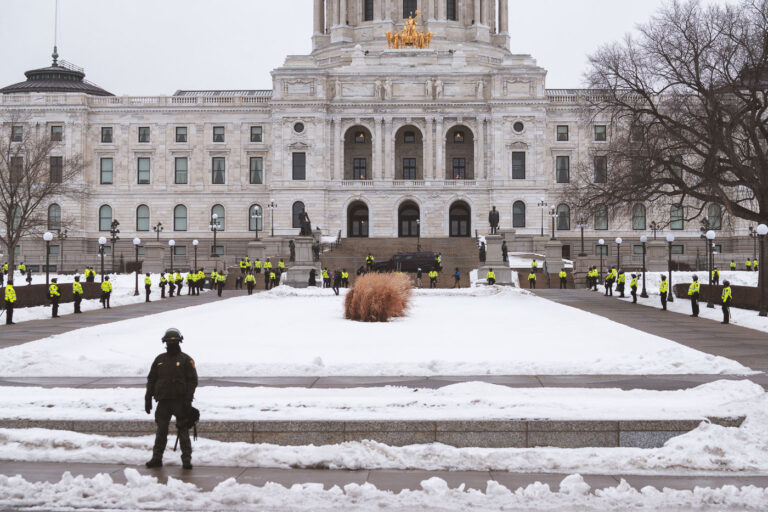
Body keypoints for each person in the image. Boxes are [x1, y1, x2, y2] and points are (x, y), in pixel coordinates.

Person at [145, 328, 198, 470]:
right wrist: (148, 397)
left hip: (180, 402)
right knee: (161, 431)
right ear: (165, 342)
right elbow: (151, 379)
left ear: (179, 341)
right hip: (163, 402)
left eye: (174, 341)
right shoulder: (159, 359)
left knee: (183, 431)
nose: (171, 343)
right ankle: (157, 458)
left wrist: (188, 398)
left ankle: (186, 459)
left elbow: (193, 380)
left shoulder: (186, 359)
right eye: (169, 341)